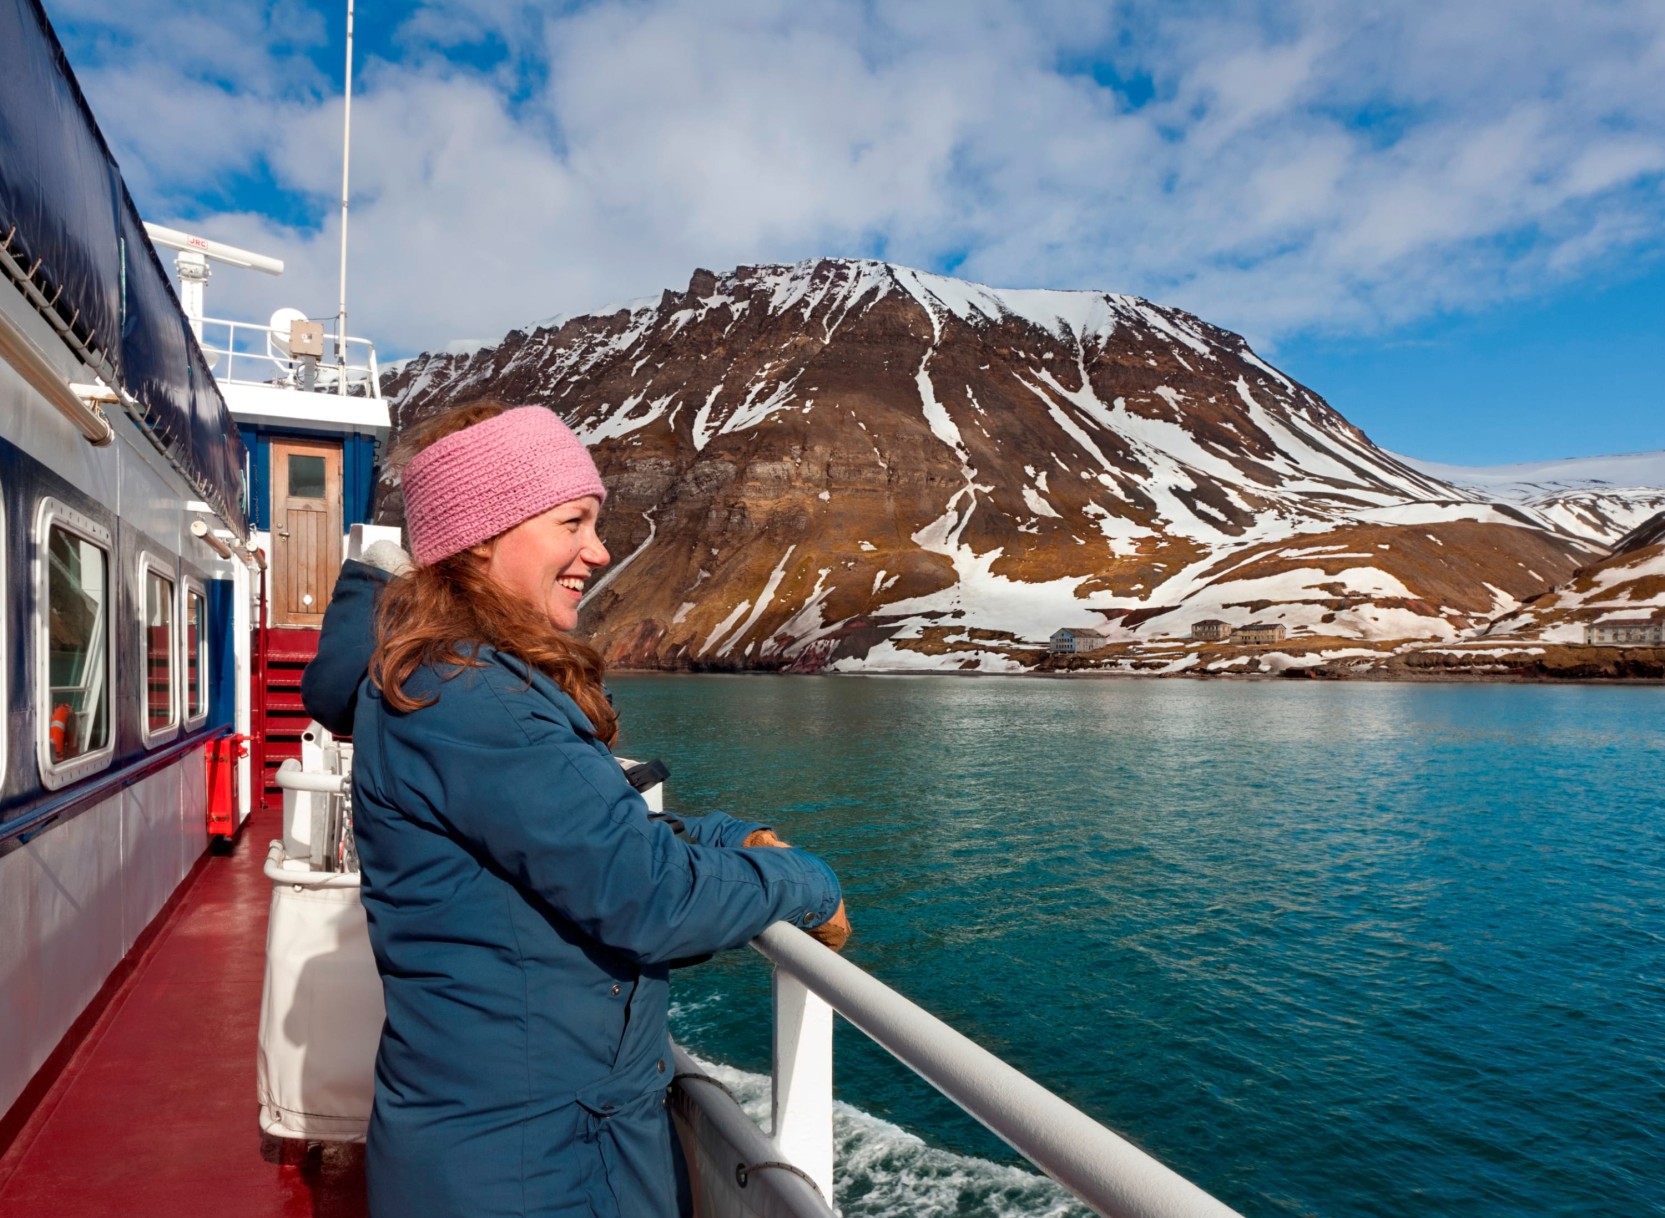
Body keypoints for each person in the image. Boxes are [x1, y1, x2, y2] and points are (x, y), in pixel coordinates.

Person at [301, 400, 849, 1218]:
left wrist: (727, 836)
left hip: (507, 1140)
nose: (596, 551)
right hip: (537, 1165)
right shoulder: (478, 698)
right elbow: (649, 898)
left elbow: (572, 841)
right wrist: (801, 880)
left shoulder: (444, 682)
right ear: (483, 535)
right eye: (573, 522)